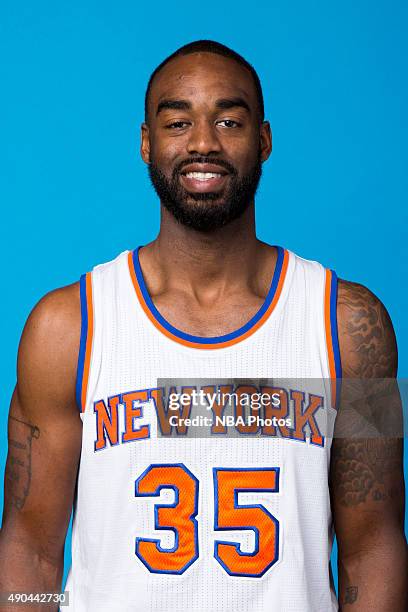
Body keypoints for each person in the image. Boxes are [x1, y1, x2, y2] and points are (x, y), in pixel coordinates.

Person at [0, 39, 406, 612]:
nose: (203, 143)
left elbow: (374, 544)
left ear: (263, 140)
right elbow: (32, 549)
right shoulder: (67, 326)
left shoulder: (350, 326)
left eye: (228, 120)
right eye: (178, 122)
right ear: (146, 143)